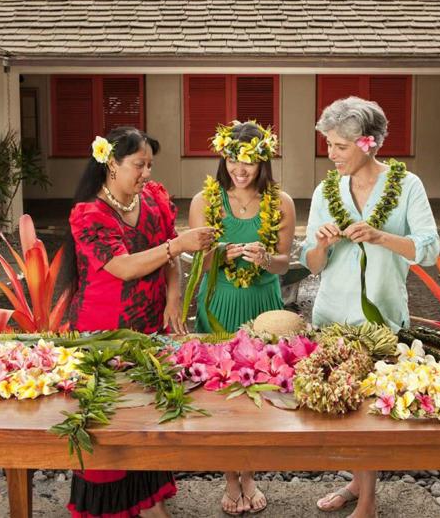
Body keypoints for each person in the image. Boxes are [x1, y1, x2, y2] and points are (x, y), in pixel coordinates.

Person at [63, 126, 216, 518]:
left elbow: (169, 260)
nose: (146, 172)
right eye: (138, 164)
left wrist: (174, 297)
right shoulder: (89, 214)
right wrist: (178, 245)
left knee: (147, 415)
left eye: (150, 164)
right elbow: (123, 267)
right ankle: (114, 506)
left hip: (150, 327)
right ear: (111, 164)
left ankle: (151, 500)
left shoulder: (153, 199)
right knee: (112, 420)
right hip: (103, 335)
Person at [300, 97, 440, 518]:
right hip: (332, 315)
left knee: (373, 413)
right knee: (342, 408)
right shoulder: (326, 190)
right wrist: (322, 243)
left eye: (340, 146)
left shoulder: (407, 185)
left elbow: (429, 250)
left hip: (382, 316)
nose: (332, 153)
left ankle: (367, 500)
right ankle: (356, 483)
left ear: (369, 143)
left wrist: (381, 237)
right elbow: (309, 261)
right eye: (328, 144)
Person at [188, 120, 296, 515]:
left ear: (262, 161)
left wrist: (267, 259)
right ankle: (229, 479)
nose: (240, 168)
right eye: (233, 159)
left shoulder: (281, 202)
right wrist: (218, 254)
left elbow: (286, 265)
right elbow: (197, 260)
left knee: (258, 393)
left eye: (249, 161)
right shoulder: (205, 201)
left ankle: (249, 475)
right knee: (220, 395)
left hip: (262, 306)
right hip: (218, 304)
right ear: (224, 157)